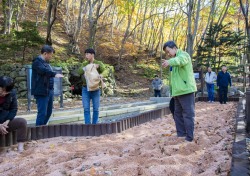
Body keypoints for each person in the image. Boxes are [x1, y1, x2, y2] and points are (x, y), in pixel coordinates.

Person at [162, 41, 197, 142]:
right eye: (167, 53)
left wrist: (170, 62)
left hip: (186, 91)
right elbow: (174, 79)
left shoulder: (184, 55)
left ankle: (189, 137)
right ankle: (181, 134)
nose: (168, 54)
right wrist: (172, 93)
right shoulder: (173, 60)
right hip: (177, 93)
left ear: (174, 48)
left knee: (188, 114)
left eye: (169, 51)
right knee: (177, 113)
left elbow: (180, 60)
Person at [31, 45, 63, 126]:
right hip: (41, 92)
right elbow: (43, 71)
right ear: (45, 53)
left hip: (49, 91)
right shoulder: (37, 62)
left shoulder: (46, 63)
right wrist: (54, 74)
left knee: (49, 112)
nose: (51, 57)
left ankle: (43, 128)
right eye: (50, 54)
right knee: (42, 113)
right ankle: (38, 131)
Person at [78, 48, 105, 124]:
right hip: (85, 89)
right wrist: (88, 67)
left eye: (87, 54)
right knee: (86, 109)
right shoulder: (84, 64)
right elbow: (79, 71)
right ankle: (87, 126)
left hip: (96, 89)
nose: (86, 56)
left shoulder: (99, 63)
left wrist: (101, 74)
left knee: (96, 109)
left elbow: (105, 70)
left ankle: (95, 125)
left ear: (92, 55)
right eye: (85, 54)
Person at [0, 76, 27, 152]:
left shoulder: (12, 94)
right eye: (2, 90)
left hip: (4, 122)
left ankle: (20, 148)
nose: (4, 94)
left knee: (22, 122)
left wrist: (7, 121)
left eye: (7, 92)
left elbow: (13, 109)